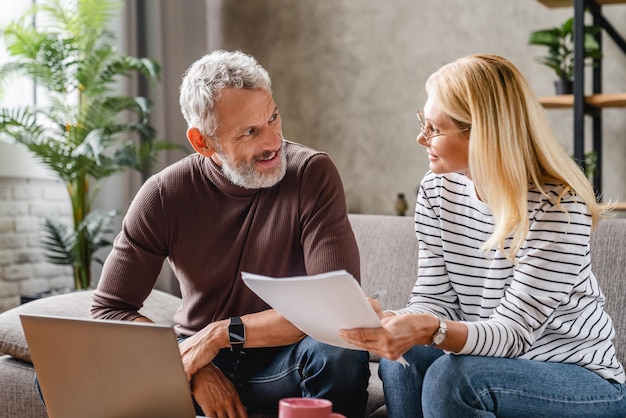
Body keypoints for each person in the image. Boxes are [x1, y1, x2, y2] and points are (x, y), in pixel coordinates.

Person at [339, 54, 626, 417]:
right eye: (422, 123)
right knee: (403, 359)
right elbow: (434, 298)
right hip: (490, 363)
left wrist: (432, 329)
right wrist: (396, 322)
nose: (420, 138)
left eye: (435, 129)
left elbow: (514, 333)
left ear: (482, 134)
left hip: (580, 381)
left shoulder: (559, 207)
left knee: (450, 377)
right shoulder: (436, 191)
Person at [91, 50, 370, 418]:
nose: (272, 142)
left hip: (282, 362)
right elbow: (110, 309)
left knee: (341, 351)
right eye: (250, 131)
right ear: (203, 142)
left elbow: (335, 311)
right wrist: (193, 368)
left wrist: (219, 334)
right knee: (65, 372)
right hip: (194, 356)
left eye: (273, 117)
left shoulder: (311, 174)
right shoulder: (163, 194)